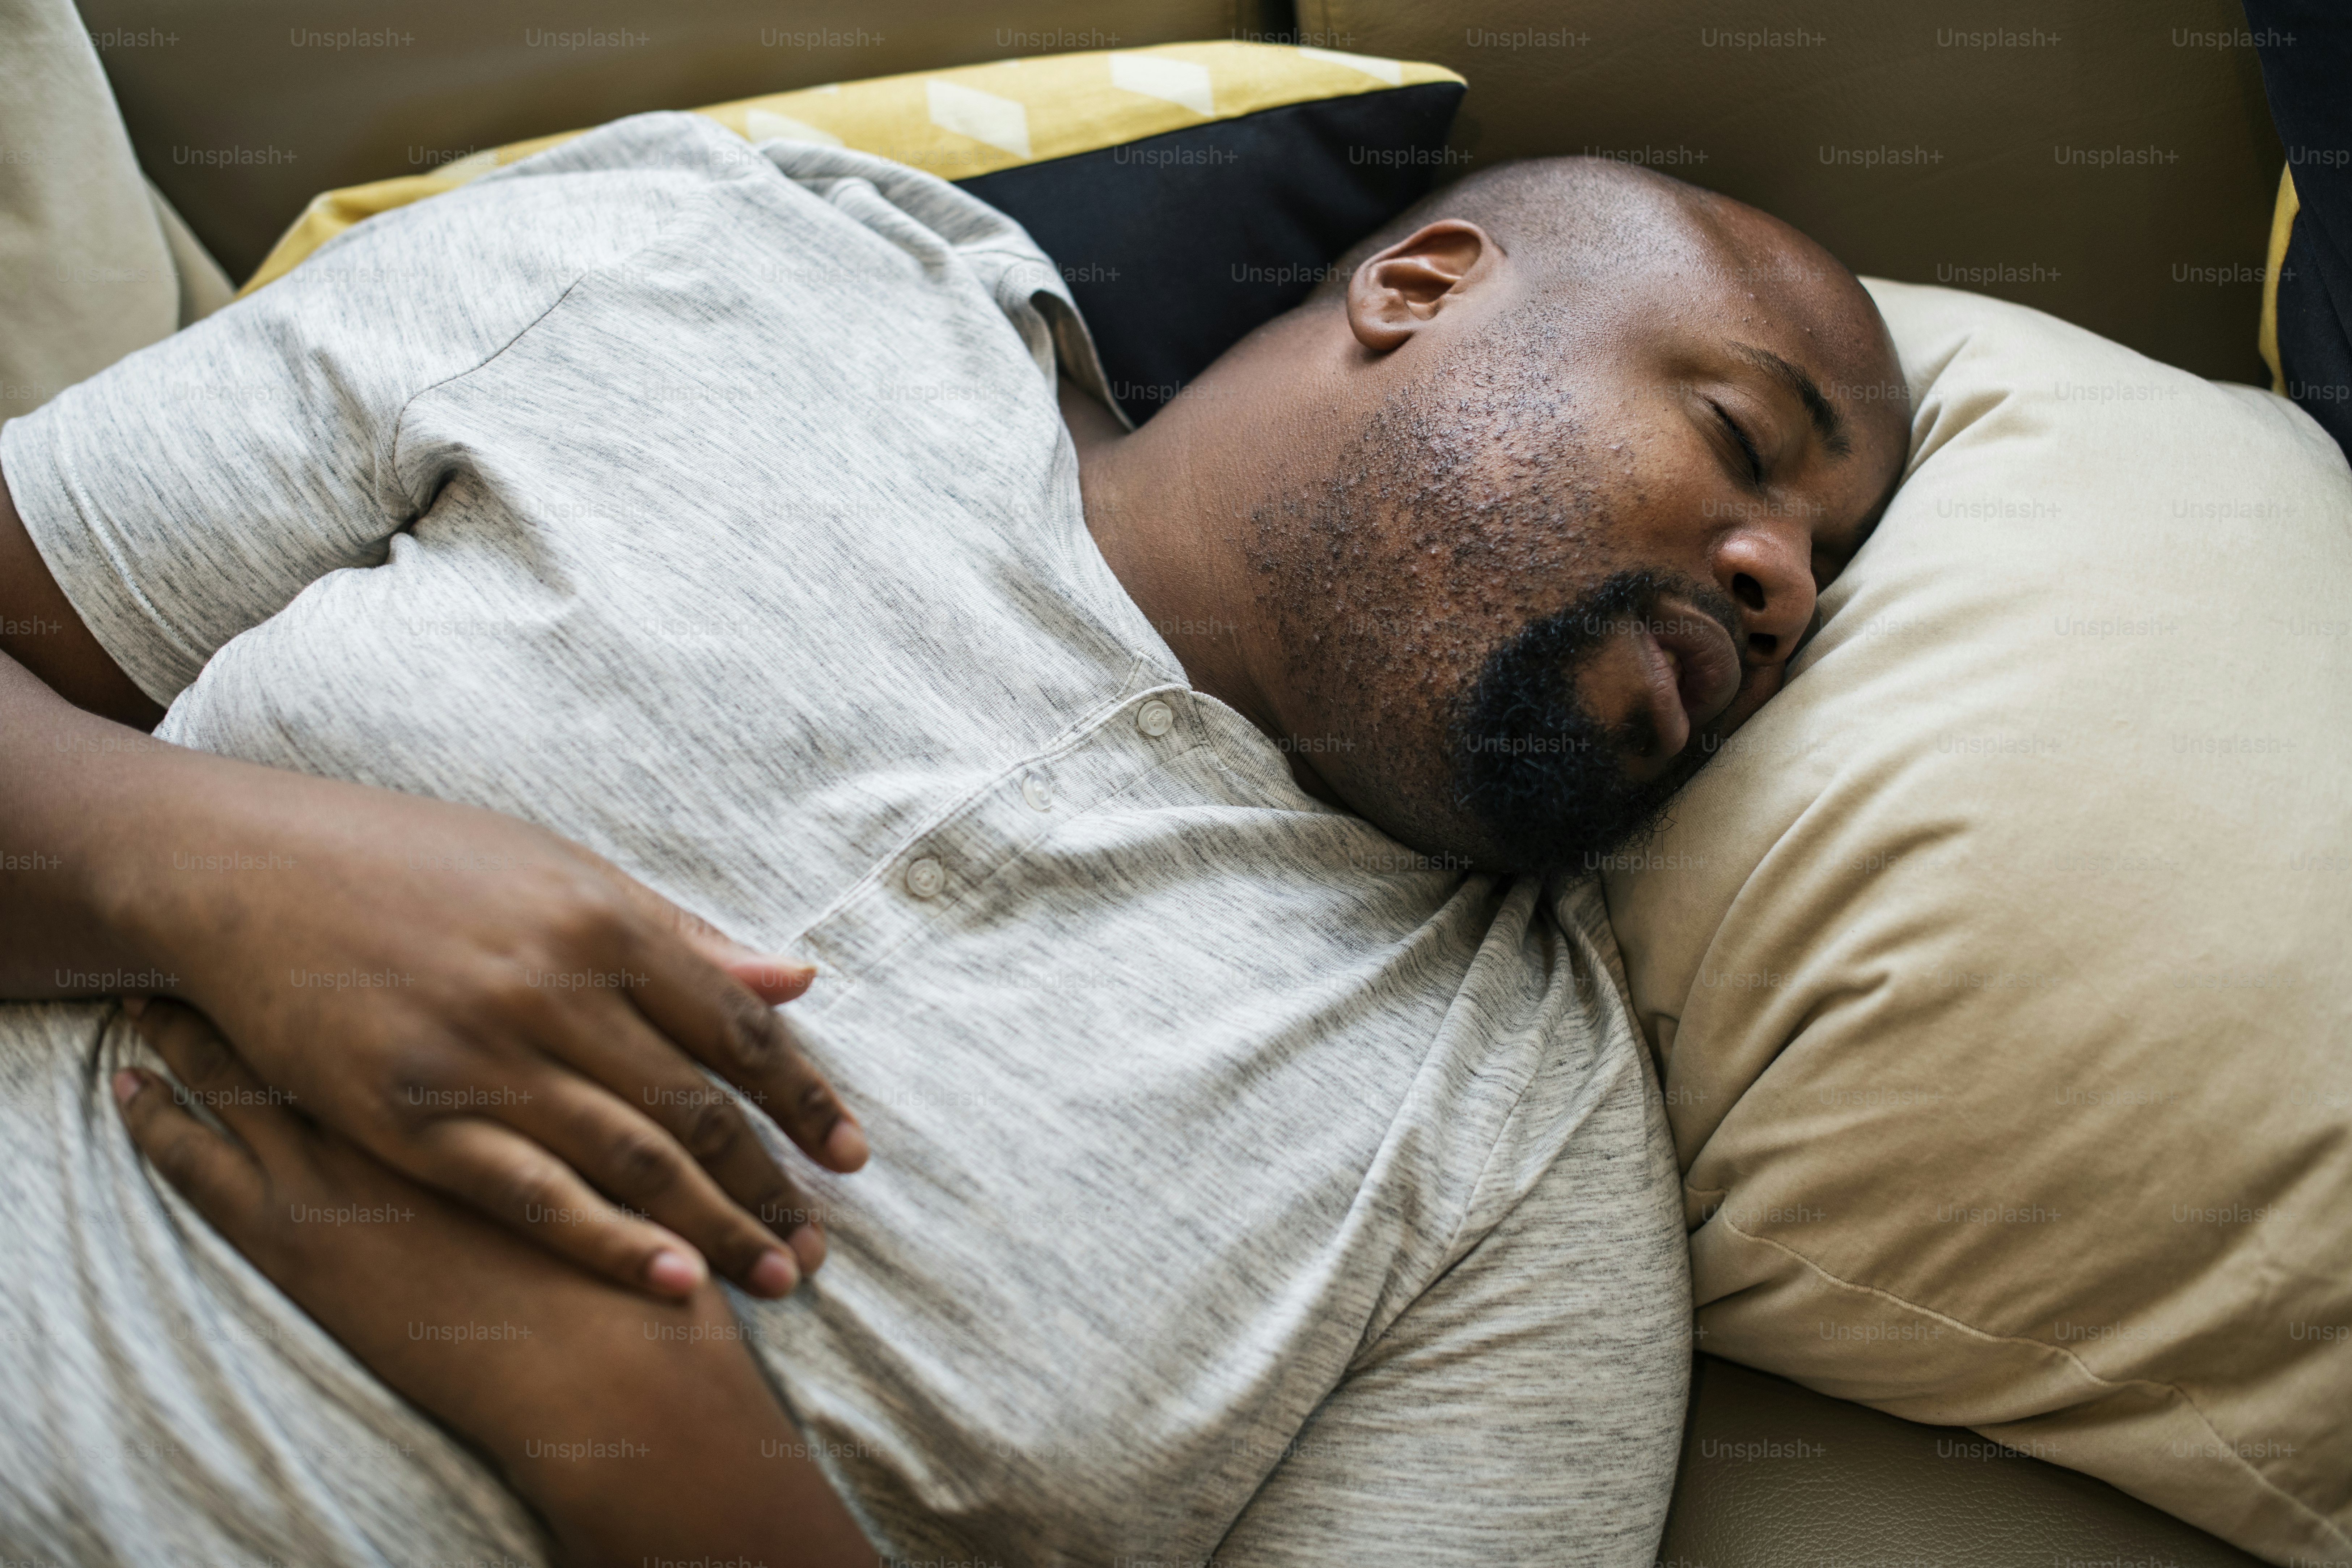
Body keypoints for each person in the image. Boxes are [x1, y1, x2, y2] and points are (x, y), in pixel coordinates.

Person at [0, 108, 1908, 1566]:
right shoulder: (705, 277)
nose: (1772, 590)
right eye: (1742, 443)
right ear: (1419, 293)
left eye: (1810, 582)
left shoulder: (1517, 1179)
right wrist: (208, 872)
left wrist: (642, 1434)